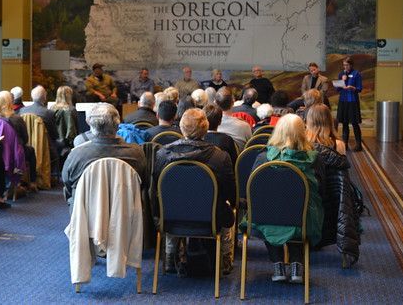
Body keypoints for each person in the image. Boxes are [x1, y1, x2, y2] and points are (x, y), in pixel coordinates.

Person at [153, 108, 235, 275]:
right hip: (210, 219)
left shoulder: (162, 154)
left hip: (171, 218)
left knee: (172, 202)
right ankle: (224, 261)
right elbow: (230, 193)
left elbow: (155, 190)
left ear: (181, 127)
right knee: (229, 209)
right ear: (205, 128)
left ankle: (170, 255)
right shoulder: (220, 157)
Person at [249, 114, 323, 283]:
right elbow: (321, 190)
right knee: (300, 210)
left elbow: (252, 192)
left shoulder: (262, 158)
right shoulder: (314, 158)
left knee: (269, 211)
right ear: (302, 132)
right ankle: (297, 264)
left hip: (266, 219)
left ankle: (278, 263)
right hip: (303, 221)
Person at [62, 103, 147, 211]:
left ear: (90, 124)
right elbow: (143, 184)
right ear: (118, 124)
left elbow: (68, 186)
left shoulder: (76, 155)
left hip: (86, 213)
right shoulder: (137, 153)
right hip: (125, 213)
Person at [305, 104, 360, 266]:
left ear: (309, 120)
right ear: (330, 121)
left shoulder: (304, 143)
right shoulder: (339, 144)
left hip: (311, 193)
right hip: (334, 197)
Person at [0, 91, 38, 193]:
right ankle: (32, 182)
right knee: (31, 150)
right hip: (13, 155)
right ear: (9, 103)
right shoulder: (16, 119)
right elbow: (25, 139)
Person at [19, 85, 61, 171]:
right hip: (45, 148)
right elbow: (54, 135)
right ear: (44, 97)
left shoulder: (22, 111)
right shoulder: (49, 113)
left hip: (26, 145)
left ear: (32, 97)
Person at [336, 57, 363, 151]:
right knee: (344, 123)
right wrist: (342, 80)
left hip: (353, 101)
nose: (345, 67)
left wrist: (353, 88)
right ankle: (345, 145)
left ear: (351, 65)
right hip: (343, 101)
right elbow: (338, 89)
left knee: (355, 123)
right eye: (344, 65)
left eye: (347, 65)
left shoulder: (356, 74)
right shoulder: (341, 74)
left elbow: (359, 88)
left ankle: (359, 145)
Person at [52, 85, 79, 161]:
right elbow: (73, 132)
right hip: (67, 146)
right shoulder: (71, 110)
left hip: (54, 145)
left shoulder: (51, 109)